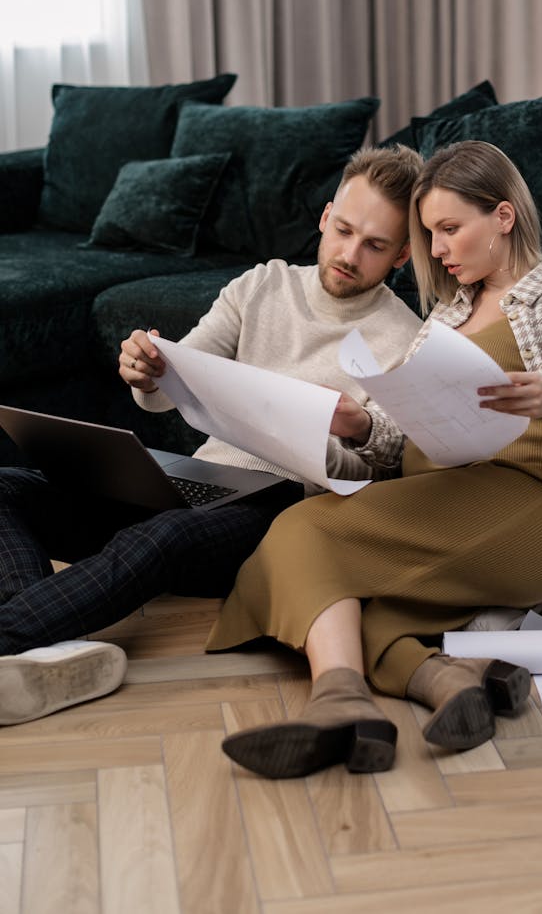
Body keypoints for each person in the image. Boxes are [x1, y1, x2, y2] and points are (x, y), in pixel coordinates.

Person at [209, 139, 542, 780]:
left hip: (523, 501)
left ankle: (340, 700)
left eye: (450, 230)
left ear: (503, 217)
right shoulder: (444, 318)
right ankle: (445, 683)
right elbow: (399, 441)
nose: (439, 250)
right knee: (353, 611)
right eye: (430, 234)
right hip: (441, 494)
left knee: (299, 530)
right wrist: (360, 421)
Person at [0, 145, 424, 725]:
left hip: (277, 505)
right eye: (344, 230)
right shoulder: (262, 285)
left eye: (374, 245)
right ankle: (44, 649)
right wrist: (144, 371)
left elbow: (372, 468)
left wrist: (326, 429)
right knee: (7, 485)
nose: (350, 254)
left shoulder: (405, 338)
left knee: (161, 538)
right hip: (195, 476)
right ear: (326, 217)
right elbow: (168, 382)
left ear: (401, 254)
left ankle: (9, 635)